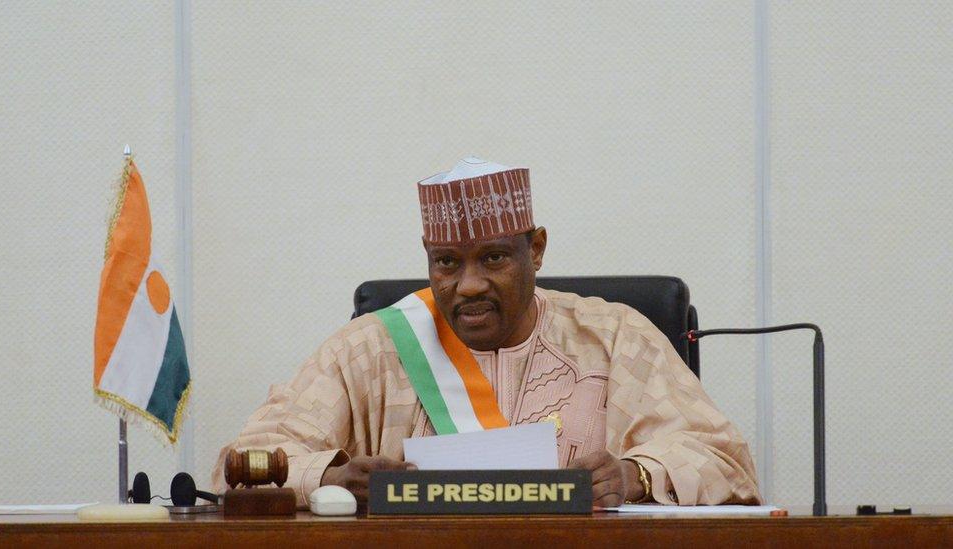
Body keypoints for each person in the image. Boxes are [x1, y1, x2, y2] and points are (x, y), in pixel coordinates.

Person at [212, 157, 761, 508]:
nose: (468, 285)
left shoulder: (615, 338)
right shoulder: (368, 351)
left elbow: (725, 459)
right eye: (446, 263)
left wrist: (636, 476)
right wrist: (331, 476)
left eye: (494, 258)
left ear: (537, 249)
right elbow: (241, 463)